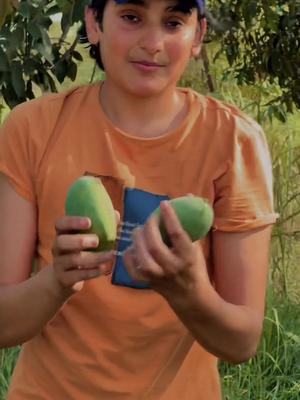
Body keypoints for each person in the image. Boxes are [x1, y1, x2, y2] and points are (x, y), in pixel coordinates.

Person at [0, 0, 279, 399]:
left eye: (173, 22)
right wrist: (57, 281)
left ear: (197, 34)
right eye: (132, 17)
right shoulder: (33, 129)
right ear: (94, 23)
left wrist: (189, 291)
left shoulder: (234, 143)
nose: (152, 42)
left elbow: (242, 343)